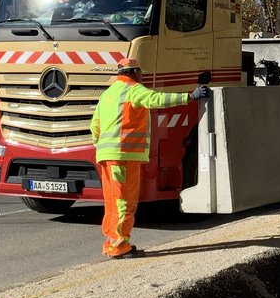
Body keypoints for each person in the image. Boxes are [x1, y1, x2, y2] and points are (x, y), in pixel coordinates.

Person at [90, 57, 210, 258]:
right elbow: (158, 99)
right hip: (124, 156)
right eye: (140, 73)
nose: (142, 76)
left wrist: (103, 147)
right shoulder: (134, 90)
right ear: (135, 72)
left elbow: (94, 126)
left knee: (112, 202)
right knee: (125, 202)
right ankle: (120, 246)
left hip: (106, 156)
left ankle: (112, 243)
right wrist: (190, 97)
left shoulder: (108, 94)